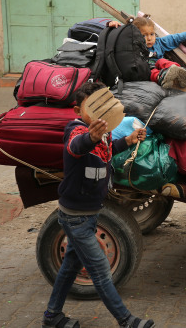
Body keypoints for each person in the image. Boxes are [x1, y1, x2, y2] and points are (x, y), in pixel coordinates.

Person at [42, 81, 154, 328]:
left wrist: (130, 139)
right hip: (75, 216)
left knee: (70, 266)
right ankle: (126, 321)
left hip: (90, 214)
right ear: (78, 111)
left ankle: (52, 317)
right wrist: (90, 137)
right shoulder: (76, 130)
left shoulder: (105, 134)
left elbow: (109, 149)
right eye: (91, 106)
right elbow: (76, 146)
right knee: (101, 270)